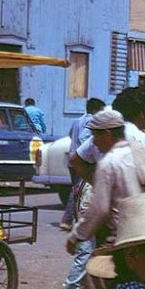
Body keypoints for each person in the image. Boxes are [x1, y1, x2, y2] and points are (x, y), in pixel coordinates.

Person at [67, 110, 145, 289]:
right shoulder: (144, 151)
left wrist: (76, 236)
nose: (94, 142)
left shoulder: (109, 162)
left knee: (96, 287)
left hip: (121, 236)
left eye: (96, 135)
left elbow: (99, 208)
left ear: (107, 134)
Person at [72, 87, 145, 176]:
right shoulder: (140, 138)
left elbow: (76, 160)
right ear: (141, 113)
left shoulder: (101, 134)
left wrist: (94, 182)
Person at [61, 98, 106, 229]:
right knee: (78, 189)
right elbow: (84, 137)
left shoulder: (78, 121)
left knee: (76, 188)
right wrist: (88, 149)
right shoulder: (91, 121)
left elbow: (71, 135)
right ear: (96, 110)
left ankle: (71, 218)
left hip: (72, 157)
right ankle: (68, 219)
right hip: (82, 159)